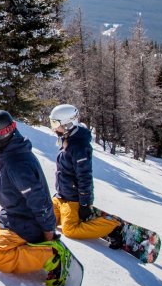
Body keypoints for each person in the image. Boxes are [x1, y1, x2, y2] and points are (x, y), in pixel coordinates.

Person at [0, 109, 72, 286]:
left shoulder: (17, 163)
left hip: (26, 223)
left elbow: (39, 201)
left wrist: (48, 233)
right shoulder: (10, 151)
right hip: (11, 216)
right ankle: (21, 245)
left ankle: (50, 254)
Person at [49, 104, 124, 245]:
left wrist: (85, 203)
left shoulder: (79, 146)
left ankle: (113, 226)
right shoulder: (67, 139)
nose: (53, 127)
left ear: (67, 124)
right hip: (60, 197)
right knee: (44, 220)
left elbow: (84, 177)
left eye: (55, 123)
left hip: (73, 200)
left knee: (70, 230)